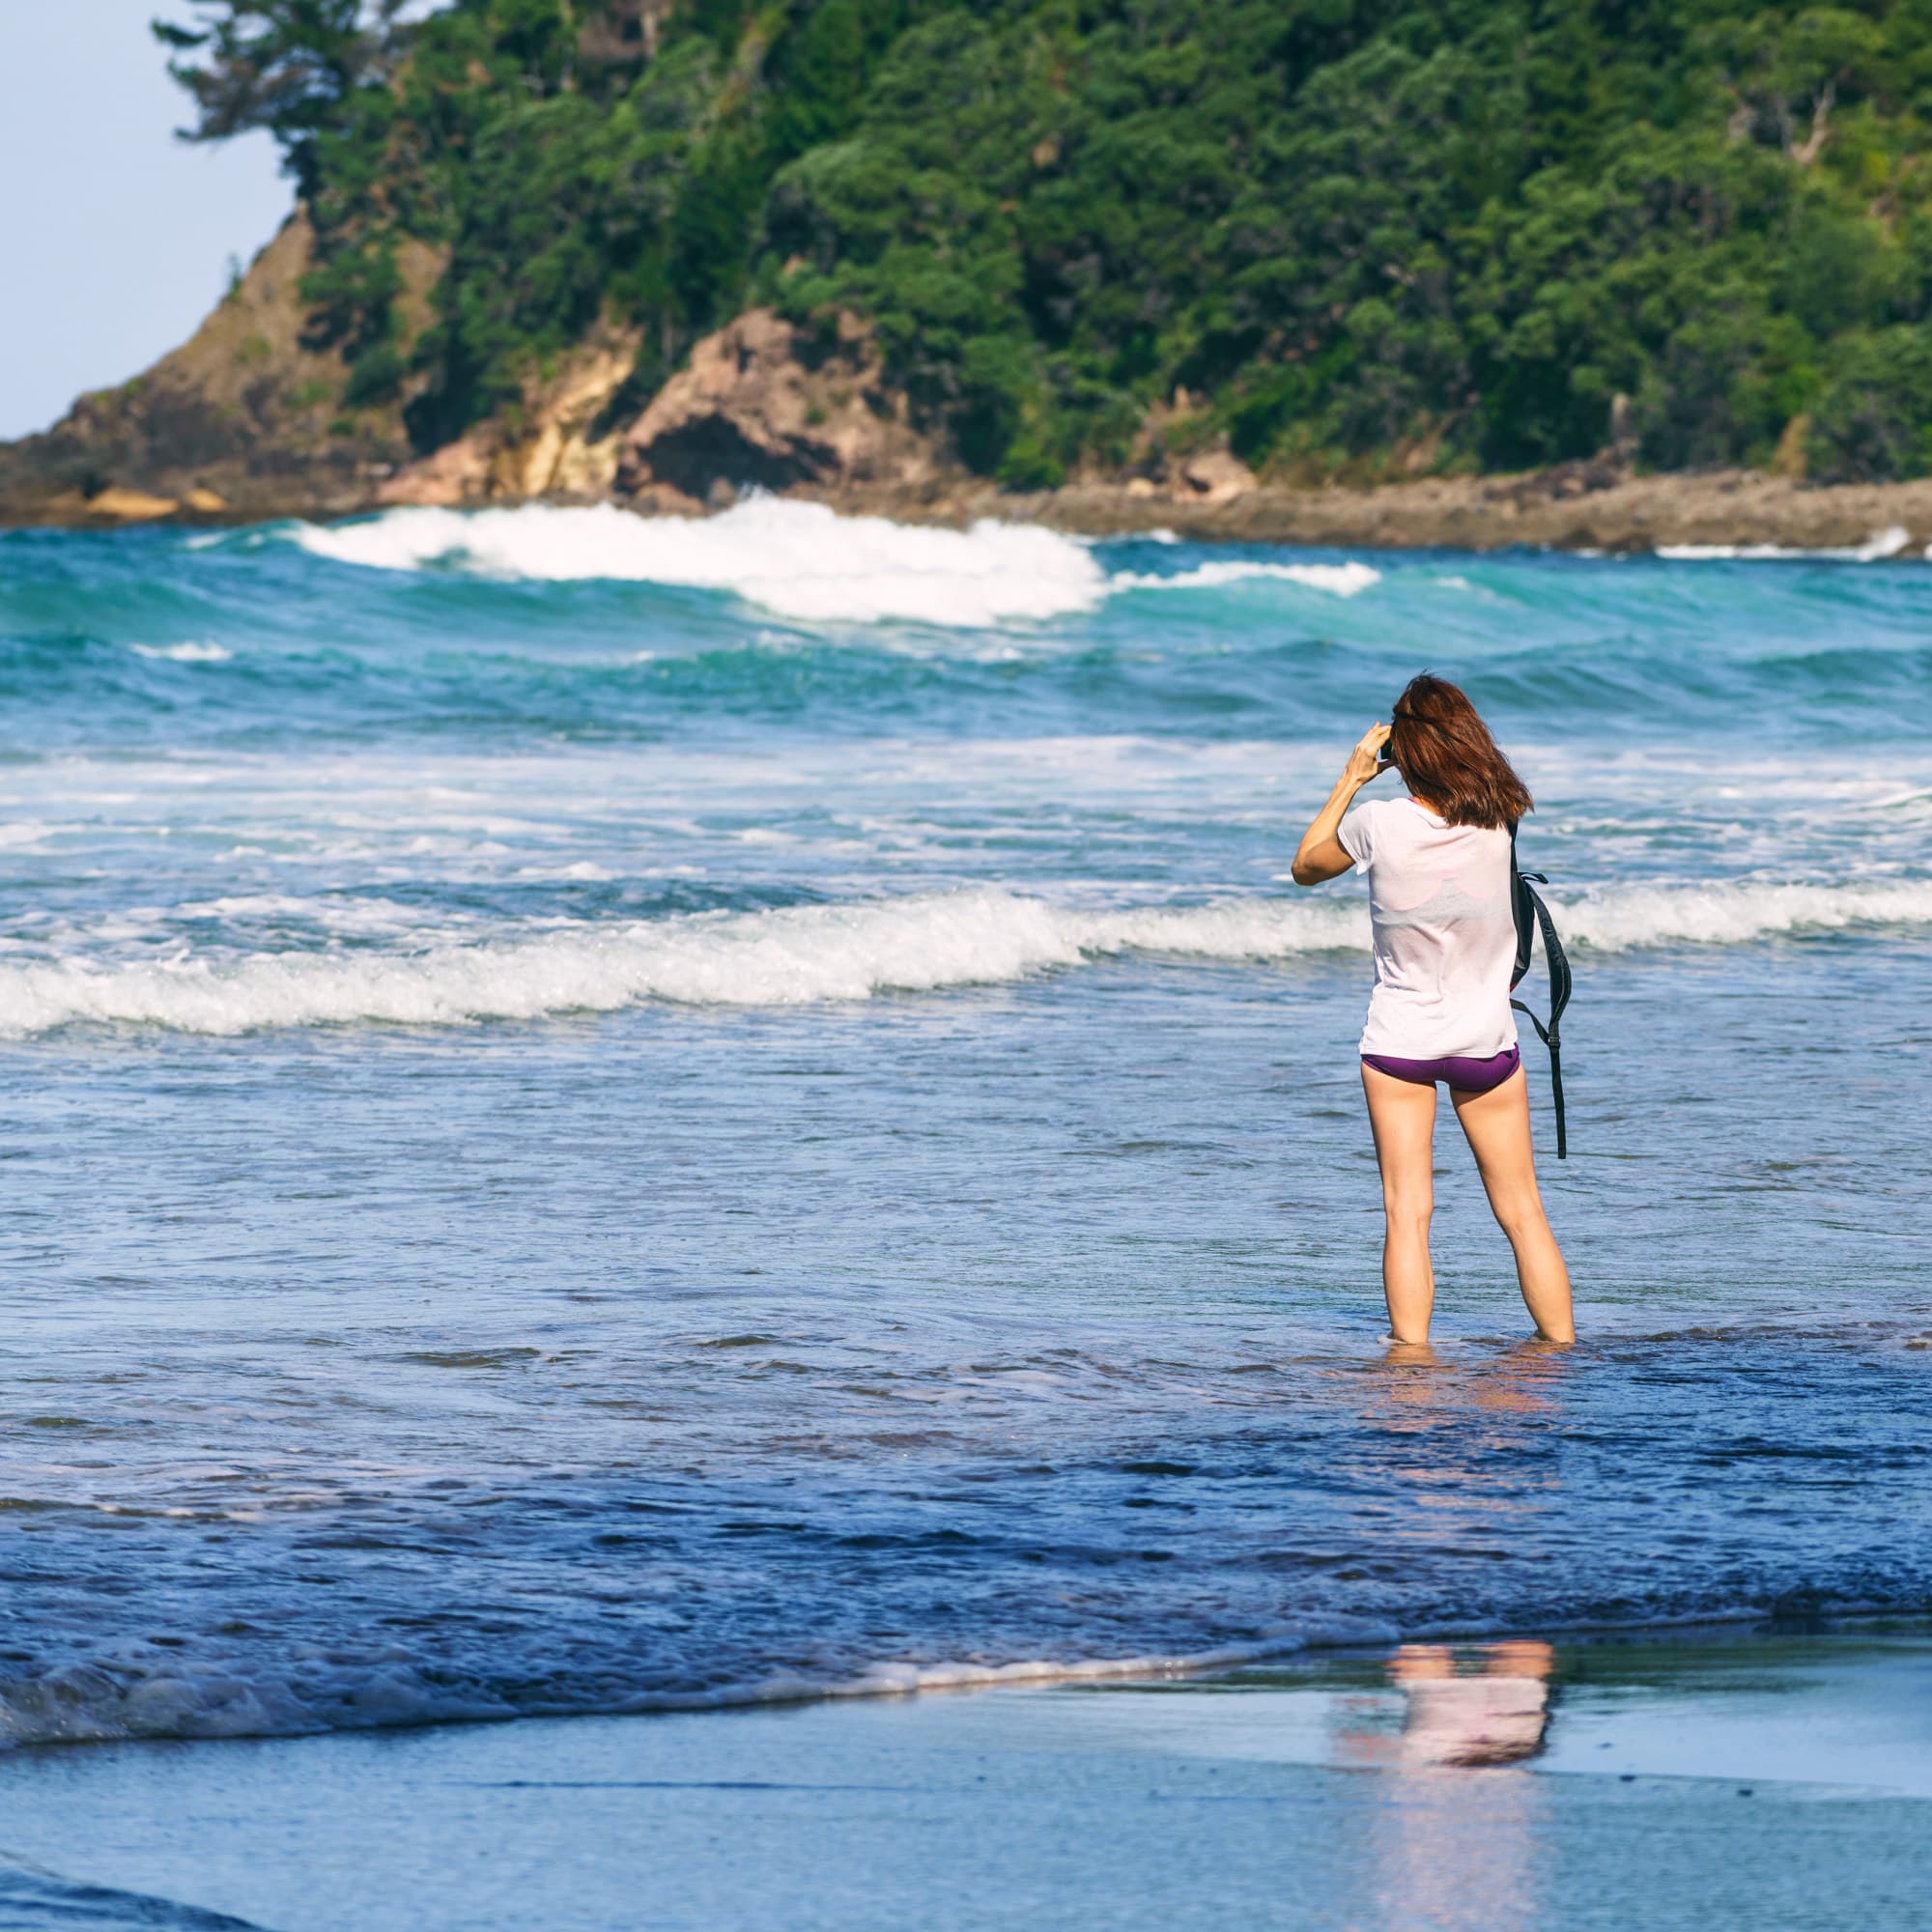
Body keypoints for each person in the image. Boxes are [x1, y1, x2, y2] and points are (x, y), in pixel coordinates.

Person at [1291, 674, 1574, 1347]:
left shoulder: (1376, 824)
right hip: (1485, 1041)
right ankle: (1562, 1351)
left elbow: (1305, 866)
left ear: (1403, 748)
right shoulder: (1500, 820)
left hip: (1400, 1042)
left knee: (1408, 1212)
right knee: (1523, 1212)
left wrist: (1352, 777)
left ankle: (1412, 1364)